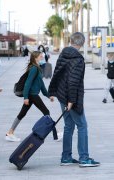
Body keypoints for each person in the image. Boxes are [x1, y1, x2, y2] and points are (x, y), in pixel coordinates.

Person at [48, 32, 100, 167]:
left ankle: (66, 157)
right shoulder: (78, 59)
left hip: (61, 95)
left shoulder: (63, 54)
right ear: (82, 43)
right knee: (82, 125)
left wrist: (52, 91)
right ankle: (84, 158)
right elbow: (73, 81)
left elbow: (56, 73)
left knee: (69, 125)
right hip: (71, 98)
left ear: (71, 41)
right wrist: (71, 101)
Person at [5, 51, 61, 142]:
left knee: (22, 113)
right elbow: (27, 83)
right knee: (46, 112)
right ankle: (56, 133)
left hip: (32, 95)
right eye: (40, 56)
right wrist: (26, 97)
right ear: (35, 58)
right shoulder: (34, 68)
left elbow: (41, 85)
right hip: (32, 95)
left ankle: (10, 133)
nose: (42, 56)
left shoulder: (38, 68)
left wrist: (48, 96)